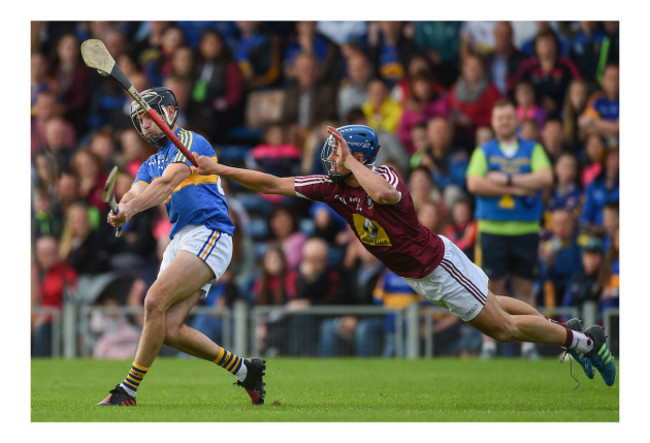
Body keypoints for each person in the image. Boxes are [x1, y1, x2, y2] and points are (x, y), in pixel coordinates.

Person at [193, 123, 616, 386]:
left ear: (358, 157)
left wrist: (352, 162)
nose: (329, 159)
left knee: (502, 329)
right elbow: (272, 183)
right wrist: (217, 168)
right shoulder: (332, 186)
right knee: (496, 303)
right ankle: (564, 328)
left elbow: (381, 193)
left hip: (438, 265)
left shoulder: (383, 173)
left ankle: (584, 340)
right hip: (423, 273)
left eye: (338, 152)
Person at [97, 86, 265, 407]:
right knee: (169, 327)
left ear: (170, 113)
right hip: (180, 240)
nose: (145, 126)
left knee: (153, 301)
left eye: (149, 117)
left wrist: (131, 210)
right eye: (140, 121)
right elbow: (136, 192)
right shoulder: (150, 163)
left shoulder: (190, 141)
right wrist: (121, 210)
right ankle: (245, 370)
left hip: (209, 232)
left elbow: (166, 185)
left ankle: (127, 391)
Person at [466, 98, 553, 360]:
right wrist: (520, 189)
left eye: (508, 117)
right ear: (492, 122)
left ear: (517, 120)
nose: (504, 122)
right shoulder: (484, 151)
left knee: (525, 288)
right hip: (492, 230)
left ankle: (528, 345)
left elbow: (546, 178)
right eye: (499, 118)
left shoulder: (533, 148)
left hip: (526, 229)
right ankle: (488, 346)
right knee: (490, 289)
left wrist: (506, 179)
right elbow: (474, 184)